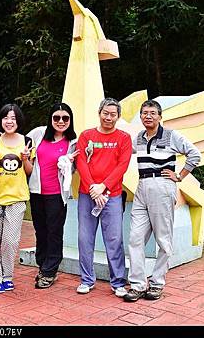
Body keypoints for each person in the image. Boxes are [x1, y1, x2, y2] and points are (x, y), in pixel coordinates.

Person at [123, 100, 201, 302]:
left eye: (152, 113)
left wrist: (180, 176)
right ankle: (138, 285)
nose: (148, 116)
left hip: (162, 186)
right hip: (142, 187)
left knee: (163, 239)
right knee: (135, 238)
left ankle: (157, 283)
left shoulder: (171, 136)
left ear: (160, 116)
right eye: (144, 113)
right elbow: (121, 151)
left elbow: (195, 154)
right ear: (140, 116)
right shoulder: (138, 137)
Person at [75, 98, 132, 297]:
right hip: (87, 194)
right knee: (84, 238)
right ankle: (86, 280)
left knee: (114, 239)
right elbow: (81, 162)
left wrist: (103, 187)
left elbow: (122, 166)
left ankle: (117, 282)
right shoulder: (86, 135)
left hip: (113, 196)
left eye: (113, 114)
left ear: (118, 116)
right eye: (105, 113)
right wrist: (93, 188)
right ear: (99, 113)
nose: (109, 117)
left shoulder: (124, 138)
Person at [27, 103, 79, 289]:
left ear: (70, 121)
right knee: (40, 231)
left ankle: (50, 271)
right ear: (50, 119)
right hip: (36, 191)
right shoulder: (38, 134)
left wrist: (71, 162)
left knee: (54, 232)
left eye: (65, 118)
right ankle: (43, 266)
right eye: (56, 117)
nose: (61, 121)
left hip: (58, 194)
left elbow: (82, 165)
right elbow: (21, 149)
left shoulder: (74, 142)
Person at [0, 104, 35, 293]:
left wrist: (26, 158)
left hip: (17, 197)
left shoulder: (27, 141)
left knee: (10, 241)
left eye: (13, 118)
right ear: (1, 120)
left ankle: (8, 275)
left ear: (18, 120)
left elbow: (29, 171)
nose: (9, 121)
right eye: (6, 118)